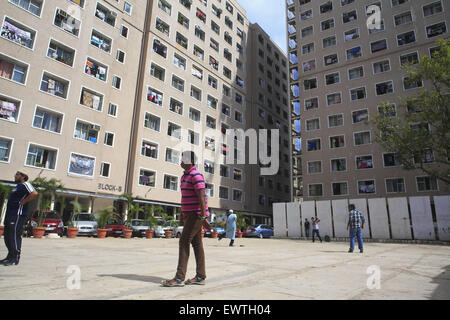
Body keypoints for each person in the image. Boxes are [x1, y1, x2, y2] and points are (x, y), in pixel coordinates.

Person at [162, 151, 210, 287]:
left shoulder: (196, 175)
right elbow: (185, 198)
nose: (180, 162)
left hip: (196, 214)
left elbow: (201, 196)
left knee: (184, 242)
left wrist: (203, 215)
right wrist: (182, 217)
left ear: (190, 161)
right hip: (189, 215)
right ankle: (200, 276)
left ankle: (179, 278)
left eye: (183, 159)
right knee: (197, 244)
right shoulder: (185, 176)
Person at [1, 170, 38, 266]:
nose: (15, 176)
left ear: (23, 176)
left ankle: (15, 258)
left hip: (18, 215)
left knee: (14, 236)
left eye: (17, 174)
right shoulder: (17, 187)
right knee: (8, 236)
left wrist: (24, 201)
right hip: (10, 214)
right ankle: (10, 256)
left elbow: (34, 193)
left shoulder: (26, 184)